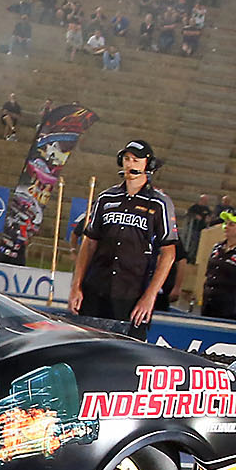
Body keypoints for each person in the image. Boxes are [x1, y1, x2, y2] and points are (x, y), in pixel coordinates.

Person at [69, 139, 178, 338]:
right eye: (127, 159)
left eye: (136, 160)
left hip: (132, 295)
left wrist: (150, 296)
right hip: (95, 289)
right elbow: (89, 242)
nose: (130, 164)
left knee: (124, 349)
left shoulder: (159, 203)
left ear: (148, 164)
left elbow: (169, 253)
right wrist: (76, 286)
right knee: (85, 345)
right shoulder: (106, 198)